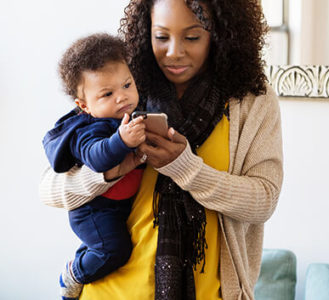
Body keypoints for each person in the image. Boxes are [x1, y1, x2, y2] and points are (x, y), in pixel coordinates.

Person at [39, 0, 283, 299]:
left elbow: (264, 201)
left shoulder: (251, 100)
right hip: (111, 289)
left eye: (192, 37)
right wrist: (108, 172)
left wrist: (186, 168)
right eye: (161, 37)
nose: (174, 51)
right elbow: (49, 190)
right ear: (146, 31)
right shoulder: (121, 87)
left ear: (220, 33)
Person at [42, 33, 146, 299]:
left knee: (107, 244)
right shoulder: (86, 129)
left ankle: (84, 260)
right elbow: (97, 158)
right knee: (114, 250)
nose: (122, 97)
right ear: (84, 106)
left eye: (127, 85)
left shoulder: (134, 115)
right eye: (107, 94)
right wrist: (121, 140)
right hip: (94, 211)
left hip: (119, 206)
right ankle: (73, 274)